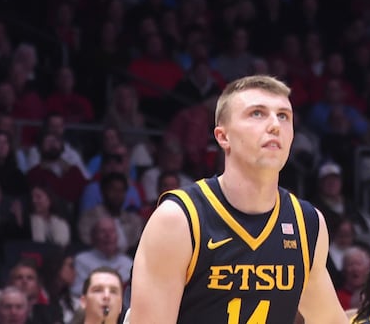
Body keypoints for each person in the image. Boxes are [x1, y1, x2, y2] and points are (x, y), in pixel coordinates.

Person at [126, 76, 349, 324]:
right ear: (223, 137)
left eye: (284, 116)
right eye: (257, 113)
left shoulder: (307, 223)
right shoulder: (178, 219)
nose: (275, 125)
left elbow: (330, 320)